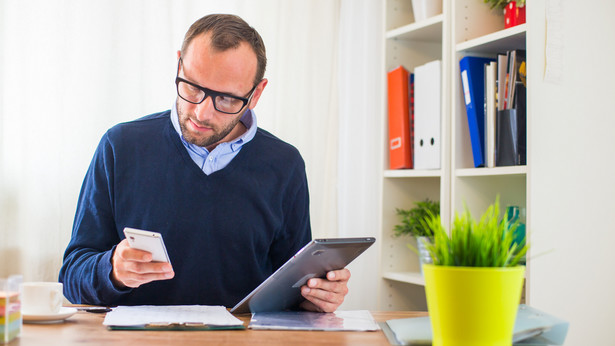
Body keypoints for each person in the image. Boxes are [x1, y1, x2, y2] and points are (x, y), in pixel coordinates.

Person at [59, 13, 350, 313]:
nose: (201, 113)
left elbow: (292, 286)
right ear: (178, 65)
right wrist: (113, 271)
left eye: (225, 99)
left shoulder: (285, 165)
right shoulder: (120, 147)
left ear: (256, 94)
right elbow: (71, 276)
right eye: (192, 87)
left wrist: (315, 296)